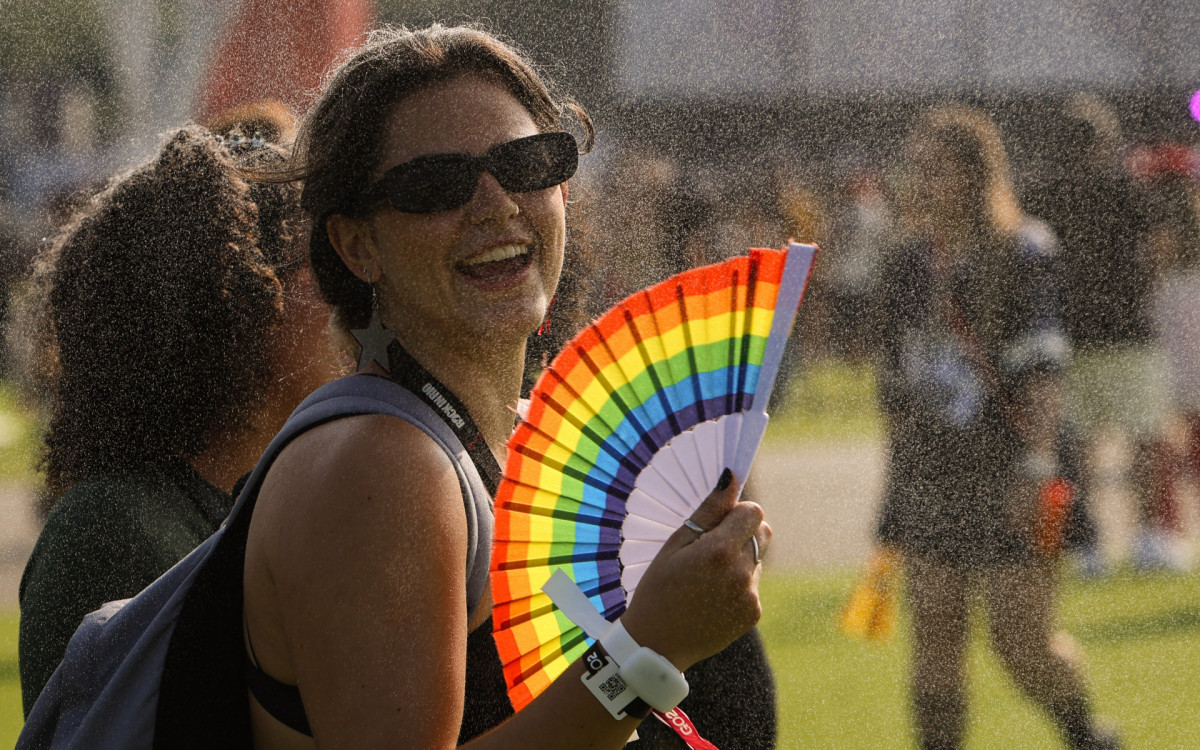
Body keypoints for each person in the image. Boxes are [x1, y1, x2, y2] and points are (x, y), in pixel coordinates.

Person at [237, 24, 771, 749]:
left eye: (526, 163)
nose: (496, 204)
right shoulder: (381, 465)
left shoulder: (513, 437)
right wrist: (648, 648)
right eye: (436, 185)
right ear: (357, 244)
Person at [13, 118, 344, 714]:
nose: (354, 285)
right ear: (240, 299)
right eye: (323, 258)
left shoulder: (261, 501)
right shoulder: (111, 529)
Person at [870, 105, 1119, 750]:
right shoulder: (905, 261)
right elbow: (893, 381)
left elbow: (1044, 370)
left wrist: (1037, 468)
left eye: (936, 168)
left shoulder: (1024, 251)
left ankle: (1092, 739)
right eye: (917, 166)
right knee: (935, 643)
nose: (921, 180)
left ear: (975, 174)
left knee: (1023, 644)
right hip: (931, 472)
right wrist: (898, 482)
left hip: (1015, 467)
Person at [1024, 94, 1170, 573]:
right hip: (1128, 332)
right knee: (1142, 438)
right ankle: (1148, 536)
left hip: (1073, 335)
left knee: (1081, 446)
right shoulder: (1126, 188)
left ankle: (1090, 544)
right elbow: (1159, 249)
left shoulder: (1043, 194)